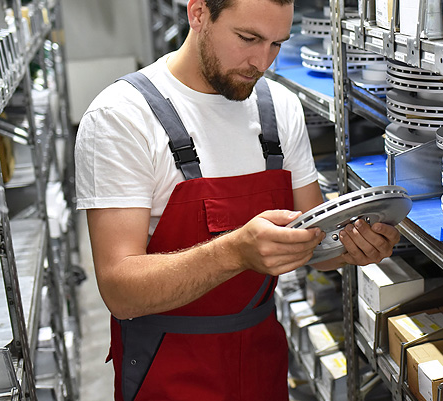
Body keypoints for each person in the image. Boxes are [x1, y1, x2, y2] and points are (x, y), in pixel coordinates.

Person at [74, 0, 401, 398]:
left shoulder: (280, 108)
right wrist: (233, 253)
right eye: (248, 38)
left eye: (277, 43)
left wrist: (352, 248)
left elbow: (313, 243)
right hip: (170, 366)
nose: (262, 61)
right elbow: (120, 292)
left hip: (263, 357)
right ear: (198, 14)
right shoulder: (121, 117)